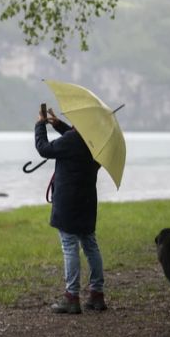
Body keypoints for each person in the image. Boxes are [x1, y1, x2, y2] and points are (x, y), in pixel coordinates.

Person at [35, 105, 107, 314]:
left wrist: (40, 125)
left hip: (68, 203)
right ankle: (97, 295)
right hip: (87, 202)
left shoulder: (72, 141)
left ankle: (71, 296)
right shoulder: (95, 143)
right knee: (90, 245)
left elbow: (44, 149)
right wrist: (57, 125)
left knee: (69, 246)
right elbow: (74, 137)